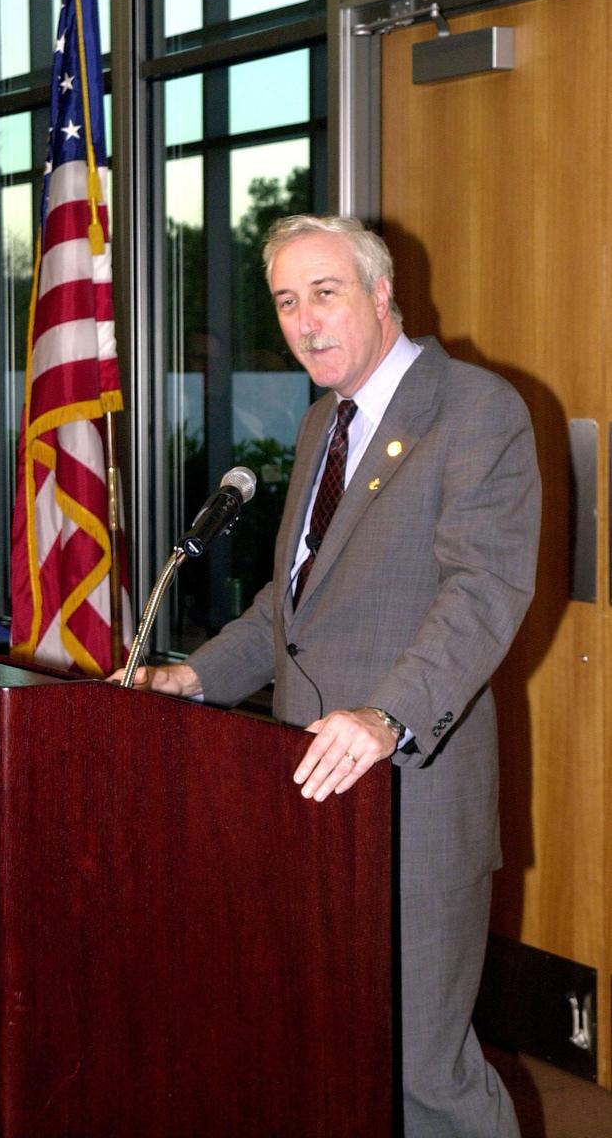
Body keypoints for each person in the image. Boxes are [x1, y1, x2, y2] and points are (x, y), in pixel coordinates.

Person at [118, 214, 540, 1137]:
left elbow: (481, 592)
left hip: (410, 796)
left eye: (324, 293)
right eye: (284, 302)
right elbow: (292, 602)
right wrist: (196, 677)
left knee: (422, 1073)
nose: (304, 322)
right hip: (305, 793)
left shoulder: (474, 410)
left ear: (382, 295)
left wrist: (386, 715)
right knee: (328, 1049)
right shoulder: (322, 424)